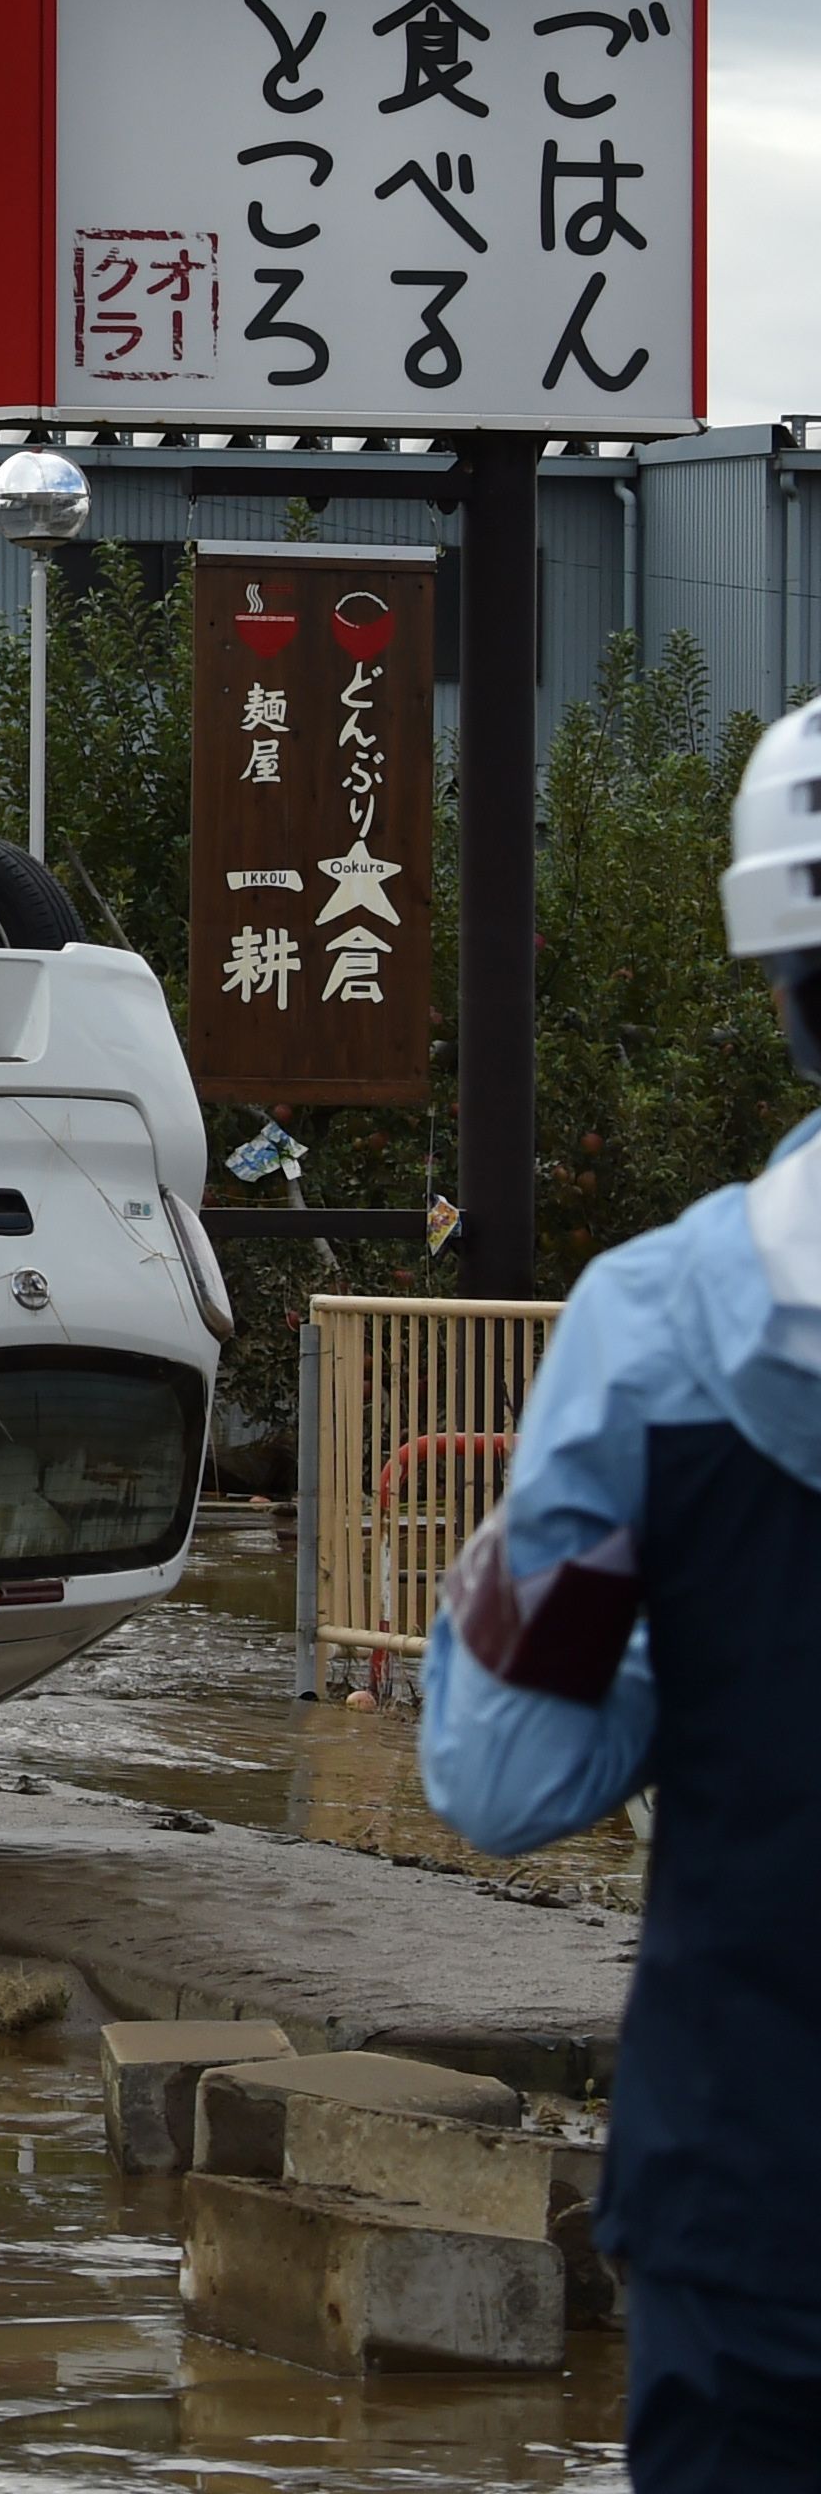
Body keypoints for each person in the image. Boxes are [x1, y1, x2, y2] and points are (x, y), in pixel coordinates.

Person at [427, 694, 821, 2483]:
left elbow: (506, 1784)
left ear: (776, 979)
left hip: (759, 2207)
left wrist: (686, 1648)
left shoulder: (651, 1333)